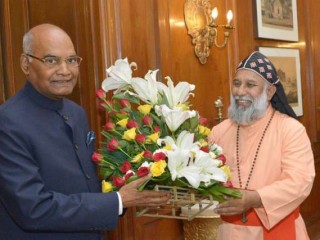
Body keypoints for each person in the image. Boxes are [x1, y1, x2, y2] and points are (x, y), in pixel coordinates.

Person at [0, 23, 170, 240]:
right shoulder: (8, 122)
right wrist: (117, 201)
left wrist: (138, 181)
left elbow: (86, 184)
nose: (65, 70)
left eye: (71, 60)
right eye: (51, 60)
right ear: (26, 64)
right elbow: (34, 209)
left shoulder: (76, 113)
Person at [209, 51, 315, 240]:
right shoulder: (218, 132)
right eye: (237, 83)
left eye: (250, 85)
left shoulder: (291, 130)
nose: (240, 91)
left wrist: (254, 199)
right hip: (229, 232)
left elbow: (299, 182)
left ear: (269, 92)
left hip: (278, 231)